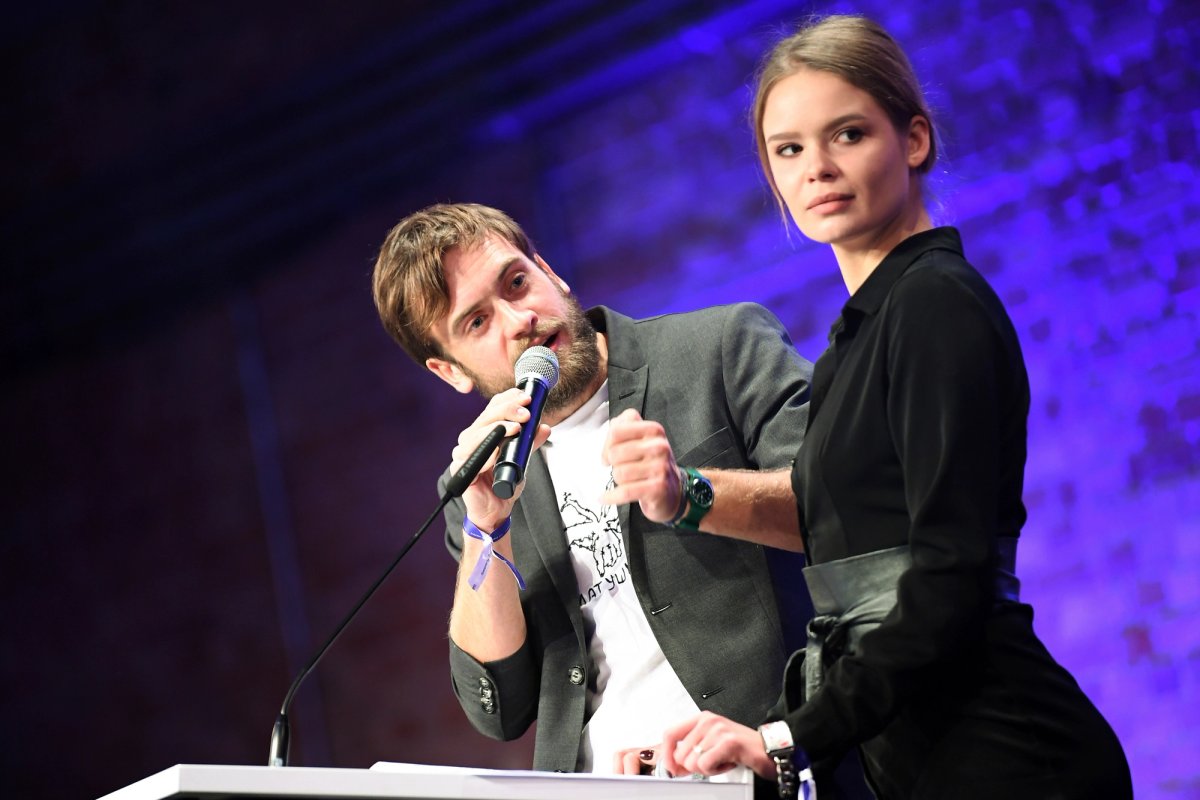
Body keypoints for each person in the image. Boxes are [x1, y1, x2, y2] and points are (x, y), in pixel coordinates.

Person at [651, 15, 1134, 800]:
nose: (818, 169)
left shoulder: (935, 304)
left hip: (1006, 755)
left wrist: (783, 738)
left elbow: (952, 578)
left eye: (847, 134)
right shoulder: (854, 339)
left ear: (913, 141)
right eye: (790, 149)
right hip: (922, 755)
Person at [370, 202, 819, 776]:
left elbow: (839, 513)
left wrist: (690, 494)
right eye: (477, 322)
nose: (518, 321)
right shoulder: (477, 484)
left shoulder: (720, 348)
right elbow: (500, 710)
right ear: (450, 372)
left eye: (516, 282)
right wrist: (487, 524)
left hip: (763, 765)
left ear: (548, 271)